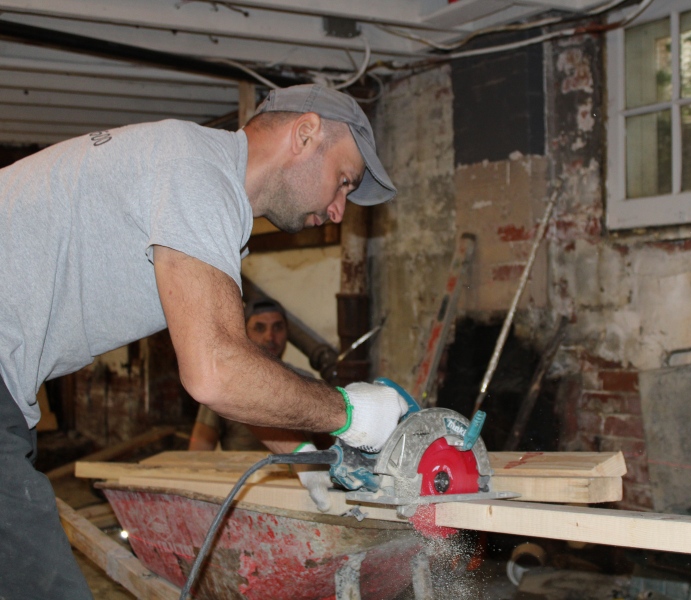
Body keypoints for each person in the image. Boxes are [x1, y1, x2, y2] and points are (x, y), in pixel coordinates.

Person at [0, 84, 408, 599]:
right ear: (305, 134)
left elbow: (226, 369)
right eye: (342, 181)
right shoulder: (198, 170)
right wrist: (349, 413)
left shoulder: (192, 185)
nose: (337, 212)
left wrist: (305, 456)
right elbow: (216, 371)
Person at [189, 298, 312, 452]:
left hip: (296, 475)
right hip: (241, 475)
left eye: (278, 327)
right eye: (259, 328)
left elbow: (325, 449)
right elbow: (199, 448)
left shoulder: (305, 383)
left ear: (287, 331)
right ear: (245, 334)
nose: (270, 337)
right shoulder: (225, 385)